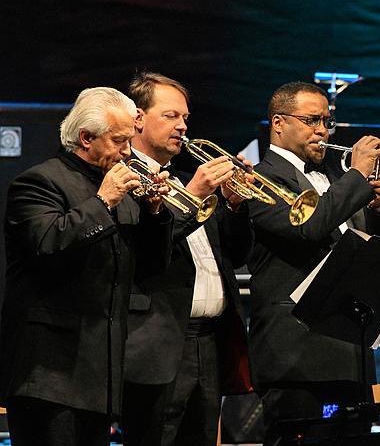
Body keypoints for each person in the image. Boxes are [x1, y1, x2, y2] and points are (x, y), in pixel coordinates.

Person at [0, 87, 173, 446]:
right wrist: (103, 201)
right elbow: (48, 243)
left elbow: (149, 270)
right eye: (119, 141)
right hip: (47, 375)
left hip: (101, 376)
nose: (128, 151)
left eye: (130, 140)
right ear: (85, 137)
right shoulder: (38, 182)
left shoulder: (122, 192)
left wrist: (156, 212)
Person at [246, 81, 380, 439]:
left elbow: (371, 248)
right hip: (294, 354)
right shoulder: (260, 177)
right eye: (313, 120)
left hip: (348, 348)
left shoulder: (335, 176)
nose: (323, 131)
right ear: (278, 123)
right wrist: (358, 176)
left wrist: (378, 207)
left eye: (327, 121)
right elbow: (310, 227)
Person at [121, 72, 254, 446]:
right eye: (171, 116)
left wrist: (235, 204)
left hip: (209, 340)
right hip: (158, 343)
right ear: (138, 119)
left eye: (185, 118)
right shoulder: (122, 180)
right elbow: (146, 254)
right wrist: (195, 194)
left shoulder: (181, 179)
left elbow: (236, 254)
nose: (182, 127)